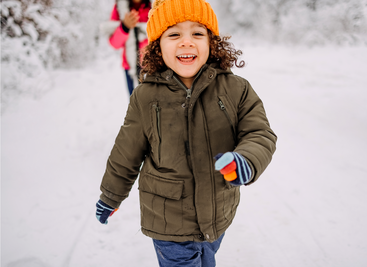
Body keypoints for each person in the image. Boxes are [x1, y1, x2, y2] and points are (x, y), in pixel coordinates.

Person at [95, 0, 277, 266]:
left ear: (212, 42)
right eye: (174, 34)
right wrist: (110, 195)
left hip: (218, 213)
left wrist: (246, 160)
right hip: (167, 220)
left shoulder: (236, 88)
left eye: (197, 33)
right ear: (156, 45)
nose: (186, 42)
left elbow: (259, 133)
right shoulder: (145, 96)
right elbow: (126, 153)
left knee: (207, 257)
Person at [100, 0, 151, 95]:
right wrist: (124, 27)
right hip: (130, 68)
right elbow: (114, 44)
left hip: (154, 66)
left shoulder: (155, 6)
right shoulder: (119, 8)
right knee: (136, 104)